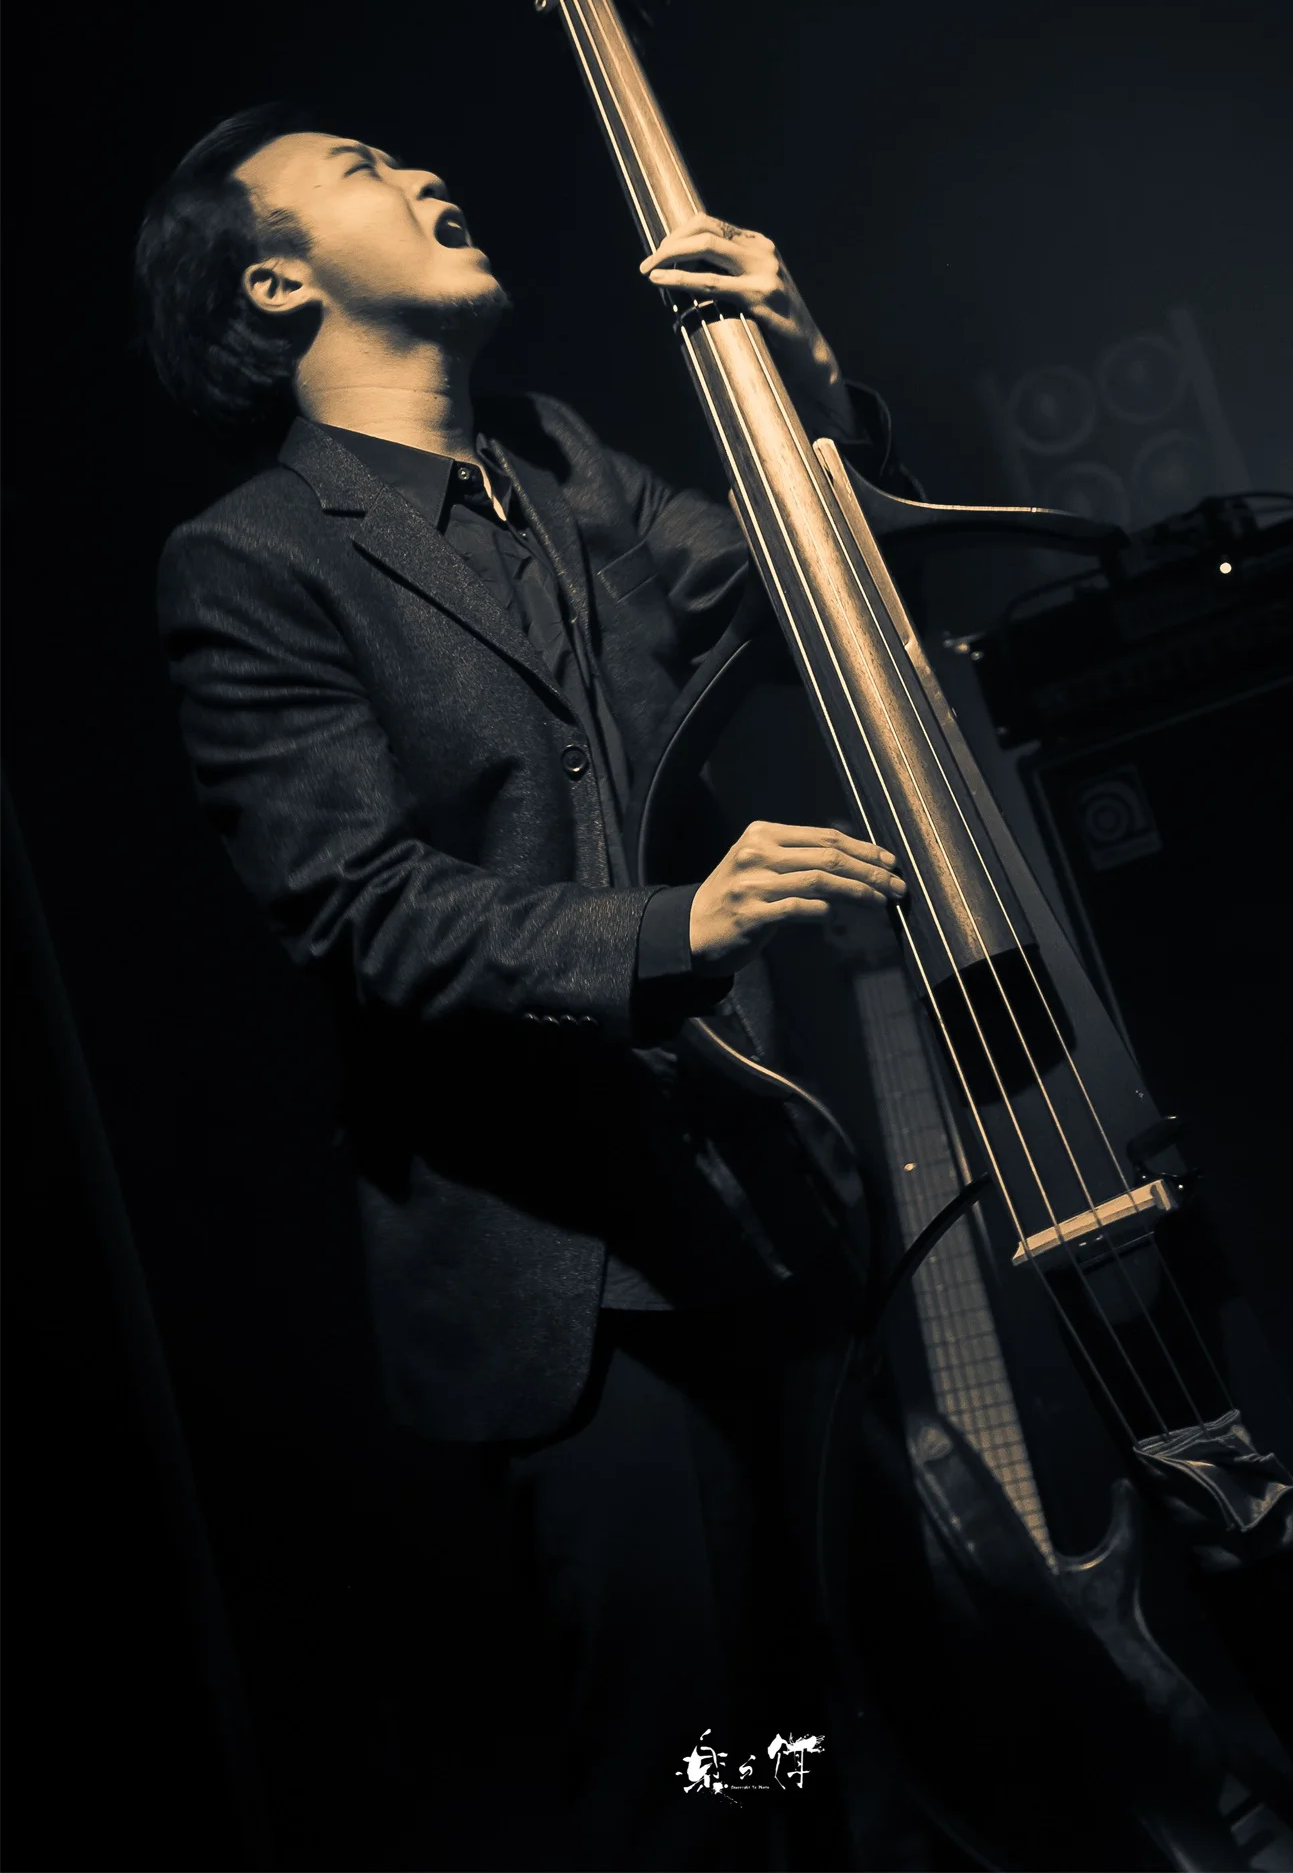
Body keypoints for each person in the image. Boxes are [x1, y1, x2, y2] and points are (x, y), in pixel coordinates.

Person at [139, 107, 916, 1870]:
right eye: (360, 170)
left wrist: (809, 377)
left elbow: (822, 592)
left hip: (760, 1217)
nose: (422, 173)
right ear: (274, 284)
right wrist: (673, 926)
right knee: (703, 1776)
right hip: (573, 1292)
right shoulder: (251, 560)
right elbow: (360, 912)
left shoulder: (562, 459)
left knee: (858, 1728)